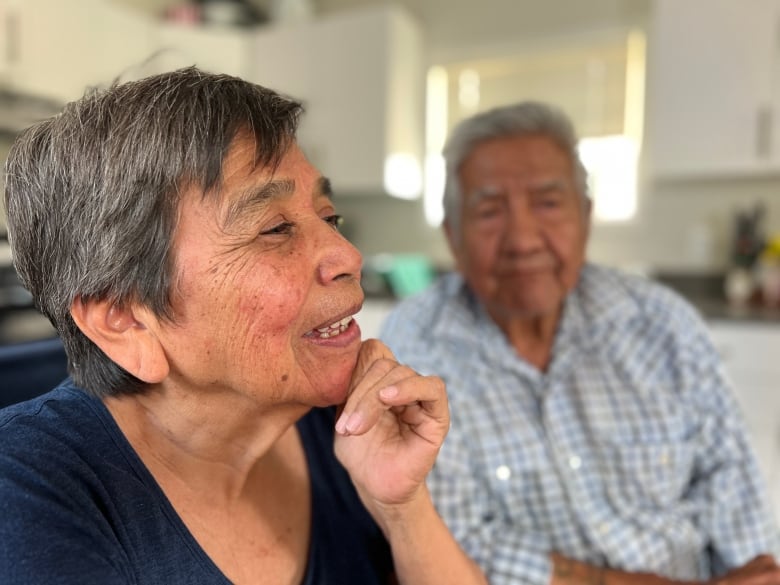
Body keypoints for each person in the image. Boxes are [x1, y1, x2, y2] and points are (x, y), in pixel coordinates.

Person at [0, 67, 488, 585]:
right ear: (125, 321)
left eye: (330, 217)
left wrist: (402, 507)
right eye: (275, 229)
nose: (347, 255)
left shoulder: (342, 425)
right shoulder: (27, 493)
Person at [380, 101, 780, 585]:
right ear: (453, 236)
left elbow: (734, 495)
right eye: (489, 211)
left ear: (586, 217)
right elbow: (448, 542)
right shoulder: (414, 346)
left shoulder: (663, 323)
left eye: (548, 203)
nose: (523, 239)